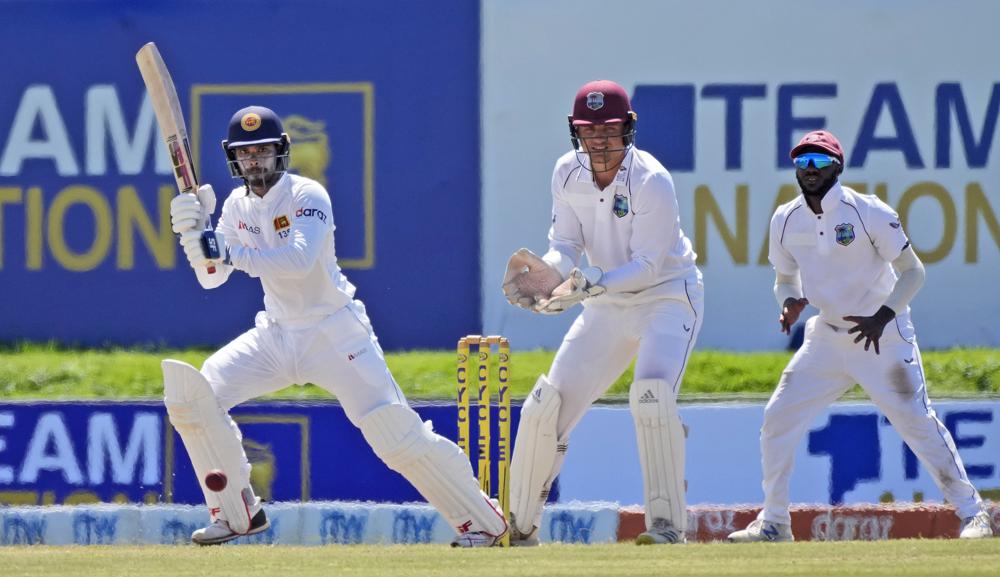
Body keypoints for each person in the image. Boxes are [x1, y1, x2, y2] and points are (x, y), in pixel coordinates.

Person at [165, 106, 507, 547]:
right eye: (246, 154)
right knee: (195, 397)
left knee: (394, 434)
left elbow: (298, 260)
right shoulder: (236, 206)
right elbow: (212, 278)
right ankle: (237, 512)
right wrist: (196, 237)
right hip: (277, 334)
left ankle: (483, 521)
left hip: (334, 333)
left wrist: (226, 252)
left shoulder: (308, 196)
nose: (254, 161)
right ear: (234, 158)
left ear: (280, 153)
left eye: (263, 152)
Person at [727, 130, 994, 542]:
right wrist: (790, 302)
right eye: (802, 163)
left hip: (883, 337)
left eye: (818, 162)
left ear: (837, 166)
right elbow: (784, 278)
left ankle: (973, 514)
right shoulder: (785, 218)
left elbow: (913, 271)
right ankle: (775, 522)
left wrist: (883, 315)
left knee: (917, 423)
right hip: (827, 338)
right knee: (778, 418)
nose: (809, 171)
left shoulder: (868, 211)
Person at [501, 80, 703, 545]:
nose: (600, 141)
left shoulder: (651, 180)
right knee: (545, 406)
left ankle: (668, 529)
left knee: (651, 396)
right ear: (575, 132)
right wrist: (550, 276)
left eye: (610, 129)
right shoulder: (565, 173)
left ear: (628, 128)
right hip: (605, 303)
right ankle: (519, 528)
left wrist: (590, 283)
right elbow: (565, 245)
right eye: (589, 131)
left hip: (666, 297)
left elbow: (649, 264)